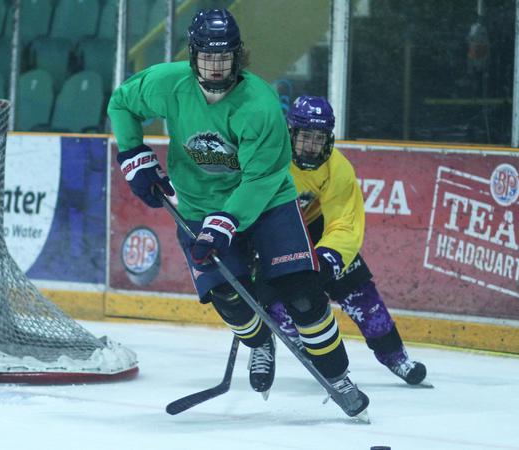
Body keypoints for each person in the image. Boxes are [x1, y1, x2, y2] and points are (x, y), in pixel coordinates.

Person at [108, 8, 368, 417]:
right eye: (207, 57)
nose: (216, 66)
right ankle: (260, 342)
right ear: (193, 55)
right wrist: (134, 154)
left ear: (238, 56)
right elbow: (122, 102)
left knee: (303, 295)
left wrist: (226, 222)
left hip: (268, 204)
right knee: (228, 297)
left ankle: (337, 375)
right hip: (199, 204)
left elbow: (261, 179)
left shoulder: (259, 104)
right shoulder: (167, 83)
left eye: (224, 57)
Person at [257, 95, 428, 386]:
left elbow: (343, 223)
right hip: (274, 235)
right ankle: (303, 347)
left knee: (361, 294)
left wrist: (329, 256)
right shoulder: (267, 158)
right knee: (276, 301)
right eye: (305, 136)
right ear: (291, 132)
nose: (312, 145)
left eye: (319, 138)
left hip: (317, 230)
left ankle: (395, 356)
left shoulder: (338, 168)